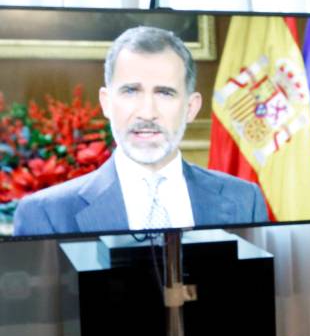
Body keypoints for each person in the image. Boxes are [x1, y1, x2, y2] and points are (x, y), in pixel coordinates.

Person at [13, 26, 268, 236]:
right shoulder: (46, 214)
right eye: (130, 91)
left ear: (191, 108)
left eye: (165, 93)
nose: (147, 112)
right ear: (106, 103)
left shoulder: (245, 200)